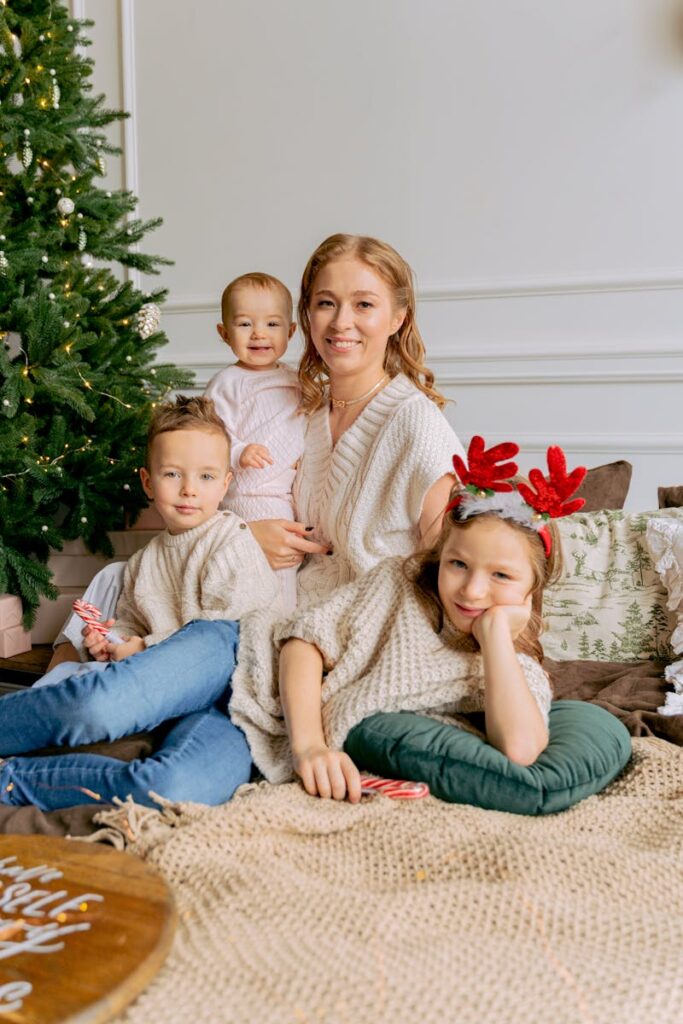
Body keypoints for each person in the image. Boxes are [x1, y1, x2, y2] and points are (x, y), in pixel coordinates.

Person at [50, 233, 465, 665]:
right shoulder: (304, 408)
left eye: (364, 304)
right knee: (116, 581)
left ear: (398, 316)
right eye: (326, 303)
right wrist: (246, 539)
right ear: (306, 316)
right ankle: (61, 685)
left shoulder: (415, 423)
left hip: (336, 631)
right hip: (272, 601)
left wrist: (244, 545)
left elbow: (446, 567)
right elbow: (218, 480)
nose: (341, 322)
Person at [227, 439, 586, 803]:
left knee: (179, 781)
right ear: (441, 556)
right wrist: (309, 747)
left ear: (532, 589)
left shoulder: (516, 669)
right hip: (241, 655)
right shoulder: (401, 582)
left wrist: (494, 637)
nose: (473, 591)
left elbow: (521, 750)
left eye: (502, 576)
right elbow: (304, 640)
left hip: (242, 724)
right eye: (458, 564)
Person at [0, 396, 280, 810]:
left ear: (225, 483)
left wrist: (145, 648)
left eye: (206, 476)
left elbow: (238, 630)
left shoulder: (231, 539)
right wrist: (112, 642)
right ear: (148, 483)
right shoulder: (142, 563)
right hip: (164, 689)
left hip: (233, 689)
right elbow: (130, 622)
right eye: (172, 474)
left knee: (176, 788)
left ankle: (13, 783)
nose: (189, 489)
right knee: (96, 704)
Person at [205, 272, 305, 612]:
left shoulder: (296, 381)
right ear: (224, 333)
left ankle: (282, 621)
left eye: (272, 324)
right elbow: (210, 435)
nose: (260, 334)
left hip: (285, 493)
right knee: (245, 569)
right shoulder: (227, 383)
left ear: (291, 331)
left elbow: (306, 424)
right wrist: (238, 450)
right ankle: (243, 621)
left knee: (285, 565)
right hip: (245, 495)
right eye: (245, 324)